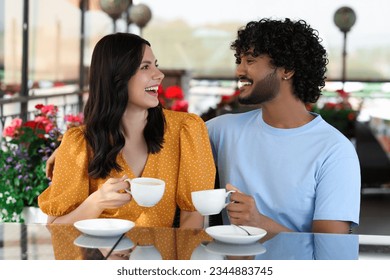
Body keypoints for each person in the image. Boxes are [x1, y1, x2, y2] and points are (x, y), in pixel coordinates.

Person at [38, 33, 216, 228]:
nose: (159, 74)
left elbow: (192, 217)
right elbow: (55, 228)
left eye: (155, 65)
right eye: (145, 67)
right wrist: (96, 203)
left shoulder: (186, 130)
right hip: (99, 256)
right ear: (117, 77)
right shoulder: (78, 143)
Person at [206, 18, 361, 234]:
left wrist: (261, 224)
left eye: (250, 61)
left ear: (286, 69)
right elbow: (160, 143)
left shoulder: (335, 151)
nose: (239, 71)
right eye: (239, 61)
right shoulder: (221, 131)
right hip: (231, 268)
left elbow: (330, 254)